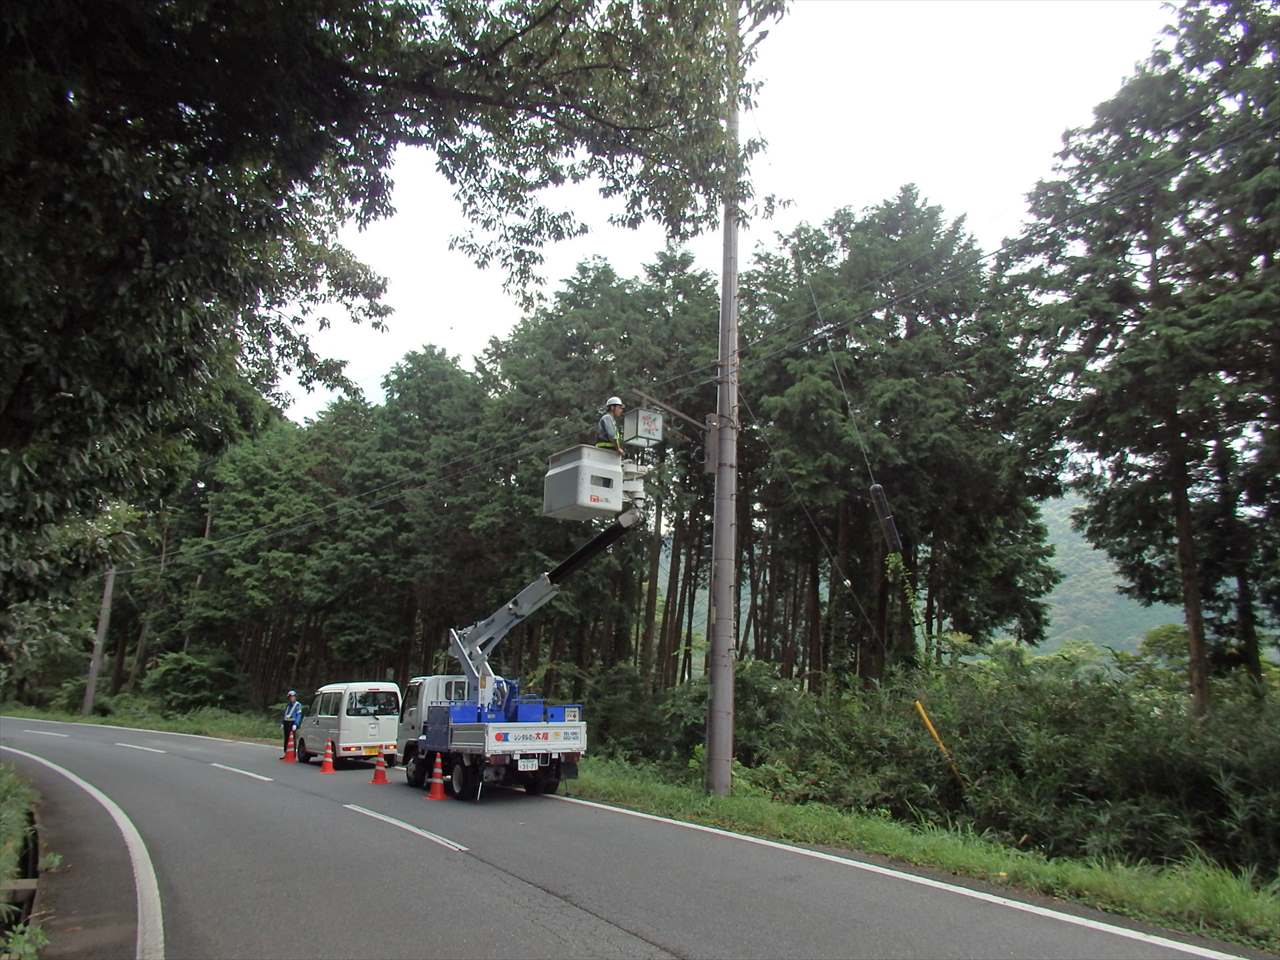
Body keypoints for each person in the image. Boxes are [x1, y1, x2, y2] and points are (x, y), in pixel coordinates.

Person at [281, 690, 303, 758]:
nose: (291, 698)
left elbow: (299, 715)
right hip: (286, 722)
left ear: (295, 697)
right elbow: (285, 714)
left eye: (293, 697)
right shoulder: (288, 705)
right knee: (286, 738)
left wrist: (296, 724)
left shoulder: (298, 705)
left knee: (292, 739)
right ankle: (285, 753)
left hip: (292, 723)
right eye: (290, 697)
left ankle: (292, 754)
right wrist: (282, 723)